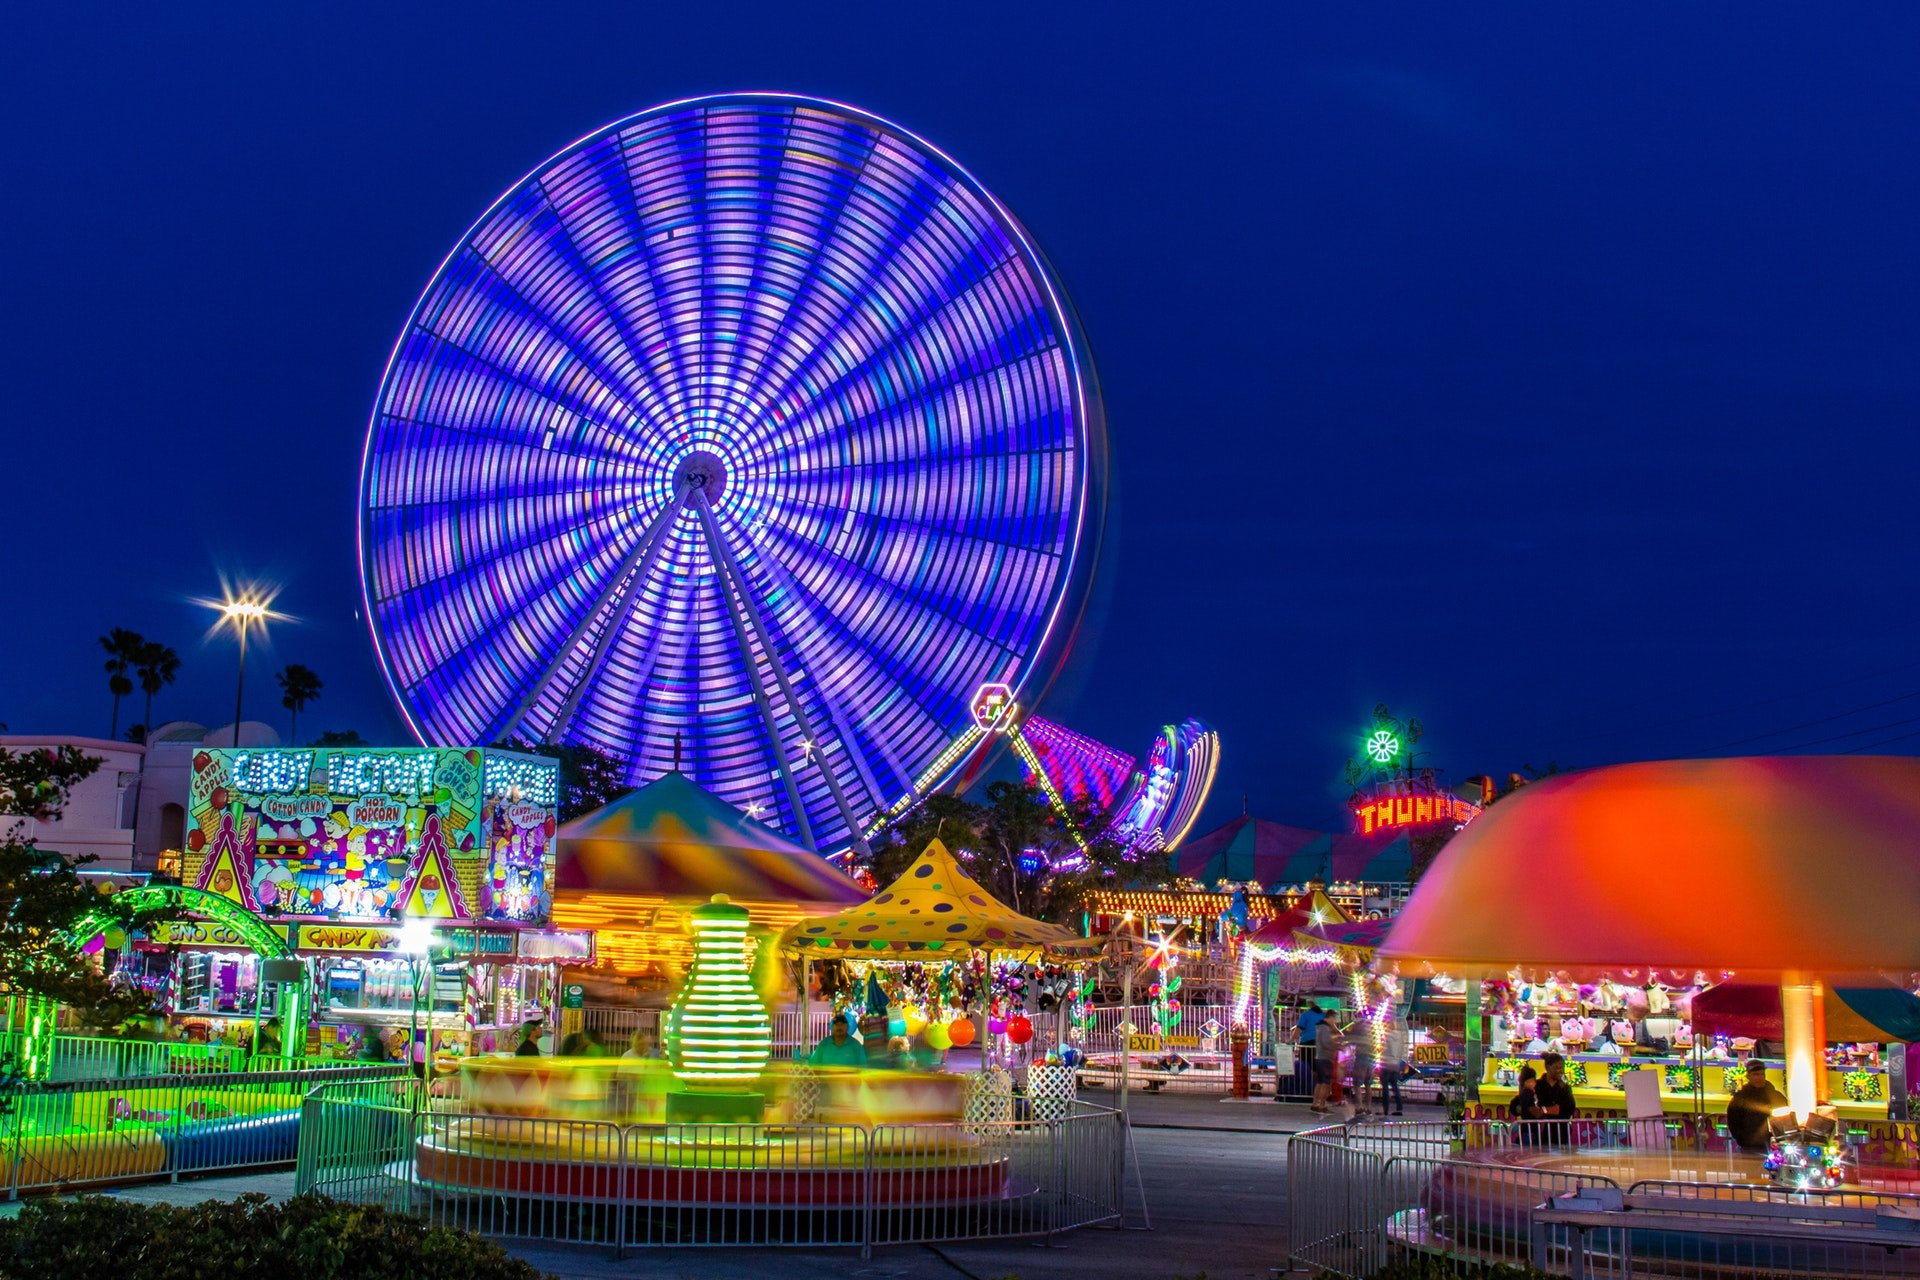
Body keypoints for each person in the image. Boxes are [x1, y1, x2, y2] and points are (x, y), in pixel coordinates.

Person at [1726, 1061, 1789, 1153]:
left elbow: (1787, 1120)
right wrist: (1743, 1141)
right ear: (1748, 1076)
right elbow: (1733, 1122)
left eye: (1762, 1074)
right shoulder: (1740, 1098)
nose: (1759, 1078)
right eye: (1755, 1074)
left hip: (1774, 1146)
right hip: (1749, 1147)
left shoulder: (1776, 1097)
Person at [1534, 1051, 1577, 1143]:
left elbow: (1569, 1109)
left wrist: (1544, 1110)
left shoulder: (1565, 1088)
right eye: (1557, 1068)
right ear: (1548, 1067)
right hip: (1541, 1132)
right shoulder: (1537, 1085)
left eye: (1562, 1068)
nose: (1560, 1071)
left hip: (1561, 1132)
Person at [1380, 1013, 1409, 1116]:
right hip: (1395, 1064)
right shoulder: (1400, 1036)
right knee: (1395, 1087)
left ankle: (1385, 1109)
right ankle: (1399, 1107)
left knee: (1385, 1088)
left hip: (1386, 1063)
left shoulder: (1385, 1035)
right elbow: (1402, 1050)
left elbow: (1382, 1049)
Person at [1311, 1013, 1338, 1114]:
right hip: (1326, 1058)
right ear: (1330, 1017)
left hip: (1319, 1056)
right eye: (1334, 1019)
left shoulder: (1319, 1027)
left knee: (1319, 1082)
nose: (1334, 1022)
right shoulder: (1326, 1028)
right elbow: (1326, 1043)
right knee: (1325, 1083)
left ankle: (1315, 1103)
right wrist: (1337, 1047)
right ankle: (1322, 1105)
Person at [1509, 1065, 1543, 1144]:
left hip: (1531, 1126)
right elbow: (1525, 1108)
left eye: (1533, 1081)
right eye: (1530, 1081)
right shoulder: (1526, 1094)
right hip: (1529, 1126)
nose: (1532, 1083)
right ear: (1524, 1082)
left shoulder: (1531, 1093)